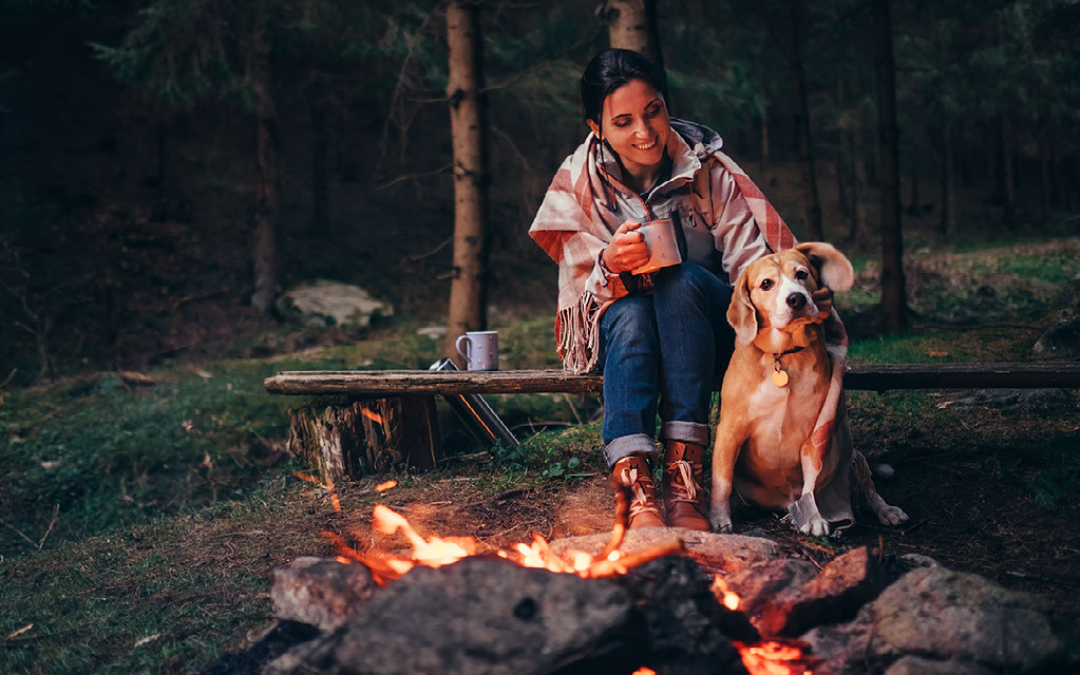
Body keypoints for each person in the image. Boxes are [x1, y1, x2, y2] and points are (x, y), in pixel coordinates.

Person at [529, 48, 803, 530]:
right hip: (627, 340)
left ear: (665, 104)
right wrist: (609, 264)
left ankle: (685, 475)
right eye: (624, 121)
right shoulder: (579, 185)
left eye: (653, 111)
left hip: (715, 335)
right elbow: (583, 303)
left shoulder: (708, 172)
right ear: (597, 128)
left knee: (679, 281)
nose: (645, 132)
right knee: (632, 312)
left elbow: (752, 269)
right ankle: (635, 483)